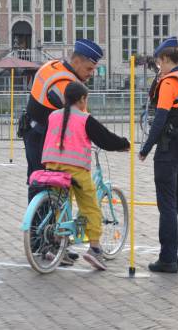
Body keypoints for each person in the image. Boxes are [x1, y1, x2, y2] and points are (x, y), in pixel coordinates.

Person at [42, 82, 129, 270]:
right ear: (82, 99)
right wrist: (124, 144)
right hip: (75, 170)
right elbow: (105, 138)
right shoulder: (84, 119)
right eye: (85, 99)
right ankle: (95, 249)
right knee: (91, 207)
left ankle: (58, 246)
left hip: (51, 167)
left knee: (61, 205)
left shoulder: (53, 116)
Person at [139, 37, 178, 273]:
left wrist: (146, 148)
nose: (159, 69)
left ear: (166, 59)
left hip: (170, 146)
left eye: (159, 64)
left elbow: (160, 118)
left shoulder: (171, 82)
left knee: (167, 203)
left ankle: (167, 259)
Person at [21, 39, 102, 202]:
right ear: (77, 61)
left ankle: (35, 224)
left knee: (36, 181)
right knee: (51, 186)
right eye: (89, 68)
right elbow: (82, 120)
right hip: (44, 141)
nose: (91, 73)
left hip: (30, 131)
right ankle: (47, 224)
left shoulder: (52, 66)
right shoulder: (67, 84)